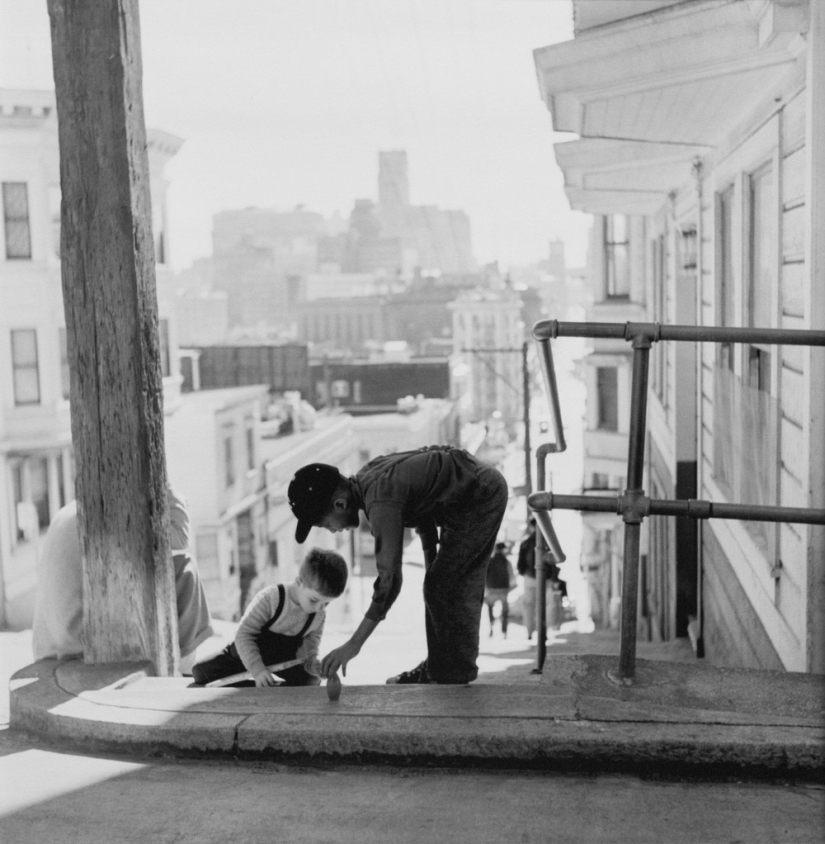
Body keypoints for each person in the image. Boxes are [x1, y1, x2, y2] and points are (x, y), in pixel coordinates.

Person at [287, 444, 509, 685]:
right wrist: (432, 571)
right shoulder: (367, 479)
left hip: (480, 494)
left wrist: (353, 645)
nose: (332, 530)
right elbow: (424, 512)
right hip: (464, 495)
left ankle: (455, 672)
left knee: (448, 587)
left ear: (340, 504)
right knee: (437, 587)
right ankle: (439, 669)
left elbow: (389, 581)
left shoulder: (380, 500)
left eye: (325, 524)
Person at [32, 485, 214, 674]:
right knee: (185, 567)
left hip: (49, 648)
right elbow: (179, 541)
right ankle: (184, 670)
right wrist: (168, 489)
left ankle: (181, 665)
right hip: (81, 652)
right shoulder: (115, 513)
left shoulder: (70, 511)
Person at [191, 547, 348, 687]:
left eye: (326, 603)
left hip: (280, 662)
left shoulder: (319, 616)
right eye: (314, 600)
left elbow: (309, 650)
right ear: (299, 582)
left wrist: (313, 664)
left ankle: (264, 684)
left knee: (310, 681)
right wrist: (257, 670)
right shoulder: (271, 598)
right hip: (245, 654)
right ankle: (251, 681)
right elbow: (243, 634)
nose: (319, 608)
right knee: (200, 673)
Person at [516, 517, 566, 639]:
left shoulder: (525, 543)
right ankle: (543, 632)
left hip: (529, 578)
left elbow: (520, 565)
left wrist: (525, 573)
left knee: (529, 605)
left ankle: (529, 631)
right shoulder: (548, 543)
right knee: (543, 606)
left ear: (532, 527)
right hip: (545, 578)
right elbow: (554, 562)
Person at [483, 542, 515, 637]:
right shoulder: (506, 561)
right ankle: (504, 631)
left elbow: (484, 576)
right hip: (503, 589)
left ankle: (491, 628)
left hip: (491, 588)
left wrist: (485, 588)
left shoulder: (490, 561)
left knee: (490, 609)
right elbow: (511, 575)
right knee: (504, 611)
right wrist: (511, 587)